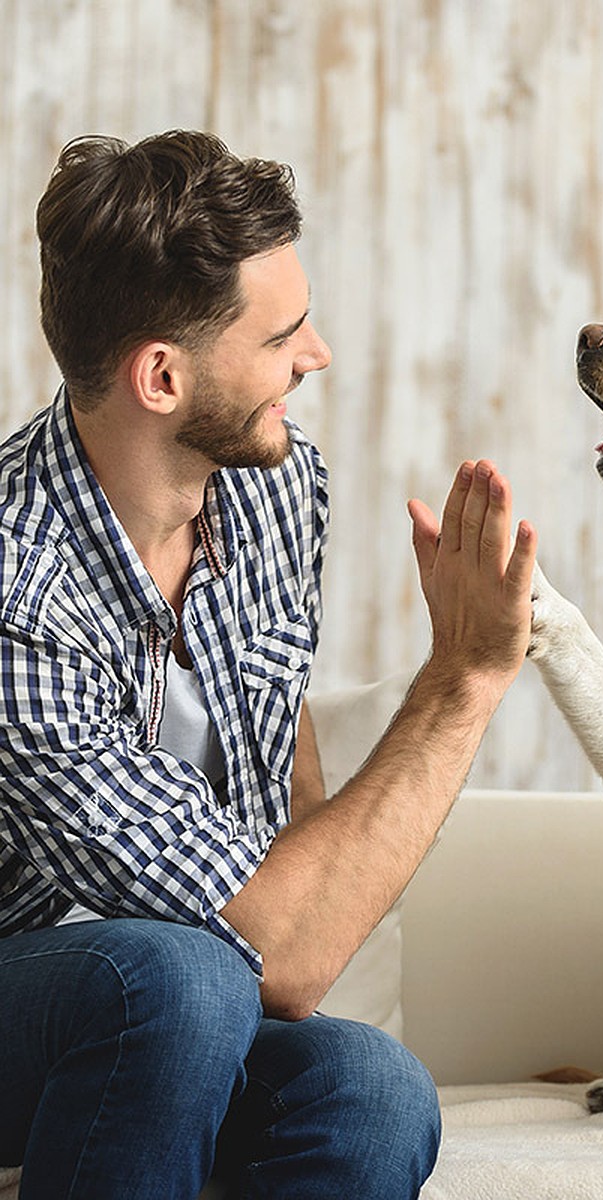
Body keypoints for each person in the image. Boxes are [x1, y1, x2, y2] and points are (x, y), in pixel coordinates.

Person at [0, 129, 537, 1199]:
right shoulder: (16, 586)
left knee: (370, 1088)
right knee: (180, 975)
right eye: (281, 334)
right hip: (32, 998)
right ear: (162, 375)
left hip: (181, 1001)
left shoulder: (274, 490)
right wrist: (463, 680)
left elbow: (279, 752)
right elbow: (278, 953)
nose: (317, 354)